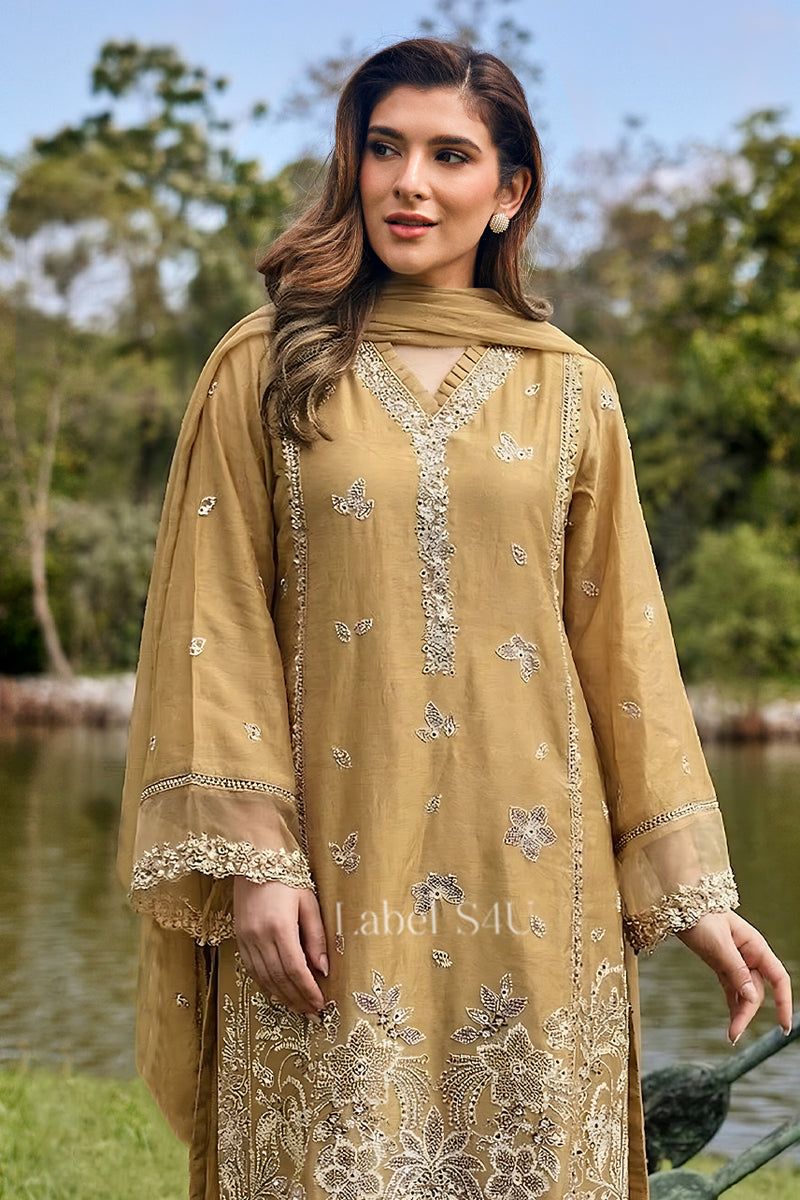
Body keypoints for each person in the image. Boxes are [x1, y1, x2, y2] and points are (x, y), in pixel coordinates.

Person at [118, 37, 792, 1200]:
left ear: (509, 189)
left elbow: (622, 648)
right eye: (383, 148)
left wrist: (694, 894)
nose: (407, 183)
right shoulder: (266, 365)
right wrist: (254, 862)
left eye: (447, 155)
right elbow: (210, 622)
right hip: (333, 876)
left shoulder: (569, 387)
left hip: (534, 887)